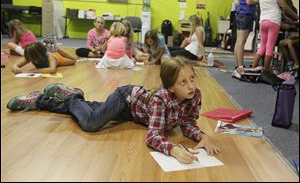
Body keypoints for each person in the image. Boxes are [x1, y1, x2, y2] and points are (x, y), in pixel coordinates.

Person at [7, 56, 220, 164]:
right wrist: (173, 149)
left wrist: (202, 135)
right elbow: (153, 135)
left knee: (90, 112)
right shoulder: (161, 99)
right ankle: (71, 96)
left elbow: (187, 123)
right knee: (91, 123)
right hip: (125, 99)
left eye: (192, 78)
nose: (191, 86)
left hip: (135, 113)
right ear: (170, 86)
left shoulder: (195, 96)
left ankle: (43, 100)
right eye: (183, 82)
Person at [252, 0, 299, 71]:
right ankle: (266, 71)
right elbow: (284, 7)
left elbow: (276, 4)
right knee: (270, 47)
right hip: (273, 21)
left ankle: (253, 69)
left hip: (263, 21)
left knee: (262, 46)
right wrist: (297, 17)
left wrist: (287, 19)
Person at [232, 0, 258, 78]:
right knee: (241, 42)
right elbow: (249, 1)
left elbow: (237, 1)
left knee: (238, 41)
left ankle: (237, 66)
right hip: (246, 15)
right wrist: (259, 0)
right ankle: (240, 68)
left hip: (239, 13)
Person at [12, 42, 76, 74]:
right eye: (30, 59)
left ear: (39, 55)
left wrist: (31, 71)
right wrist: (15, 68)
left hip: (58, 58)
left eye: (33, 58)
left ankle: (58, 49)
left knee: (73, 60)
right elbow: (15, 65)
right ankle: (56, 49)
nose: (31, 60)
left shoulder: (50, 57)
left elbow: (52, 70)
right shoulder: (30, 56)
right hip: (46, 54)